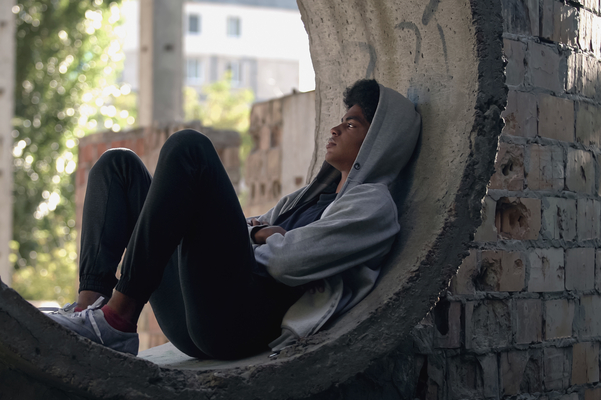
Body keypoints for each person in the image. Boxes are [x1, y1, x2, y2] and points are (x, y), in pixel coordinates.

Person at [45, 79, 421, 360]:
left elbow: (290, 262)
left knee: (189, 149)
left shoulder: (373, 206)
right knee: (119, 166)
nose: (337, 129)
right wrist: (259, 235)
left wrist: (257, 236)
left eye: (353, 125)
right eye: (341, 120)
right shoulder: (306, 199)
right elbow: (253, 231)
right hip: (193, 317)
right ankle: (89, 311)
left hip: (239, 323)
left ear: (379, 144)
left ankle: (118, 320)